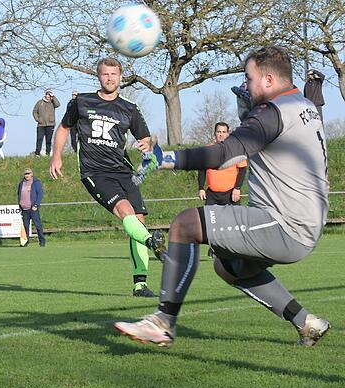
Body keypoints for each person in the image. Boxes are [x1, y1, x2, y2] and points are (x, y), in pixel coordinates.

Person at [115, 45, 330, 347]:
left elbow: (224, 153)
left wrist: (168, 160)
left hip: (285, 225)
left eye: (249, 78)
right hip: (305, 222)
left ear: (269, 80)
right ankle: (306, 322)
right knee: (228, 266)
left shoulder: (273, 112)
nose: (246, 86)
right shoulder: (302, 104)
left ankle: (163, 322)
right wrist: (252, 116)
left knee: (185, 225)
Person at [49, 57, 165, 298]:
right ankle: (153, 243)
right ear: (99, 77)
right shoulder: (82, 101)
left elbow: (145, 139)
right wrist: (56, 156)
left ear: (120, 78)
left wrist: (146, 144)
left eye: (114, 74)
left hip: (124, 171)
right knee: (125, 212)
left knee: (139, 220)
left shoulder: (129, 108)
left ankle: (140, 284)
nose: (110, 78)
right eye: (105, 74)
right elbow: (63, 128)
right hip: (95, 171)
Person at [197, 122, 246, 205]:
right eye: (219, 132)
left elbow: (242, 170)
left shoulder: (236, 150)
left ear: (228, 134)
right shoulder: (207, 150)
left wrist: (237, 188)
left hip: (231, 194)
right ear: (214, 133)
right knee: (208, 218)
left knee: (235, 218)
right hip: (212, 195)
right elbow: (201, 170)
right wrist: (201, 188)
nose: (221, 135)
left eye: (224, 132)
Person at [17, 167, 45, 247]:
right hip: (24, 209)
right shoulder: (21, 183)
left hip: (33, 208)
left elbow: (40, 194)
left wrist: (36, 204)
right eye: (26, 174)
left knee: (38, 225)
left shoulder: (36, 182)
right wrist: (19, 205)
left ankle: (42, 241)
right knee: (25, 226)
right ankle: (25, 242)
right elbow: (19, 194)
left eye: (28, 173)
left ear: (32, 174)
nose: (27, 175)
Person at [32, 89, 60, 156]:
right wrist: (37, 119)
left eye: (49, 94)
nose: (48, 95)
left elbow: (58, 105)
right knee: (39, 139)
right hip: (41, 125)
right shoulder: (40, 102)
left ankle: (48, 153)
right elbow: (34, 111)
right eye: (47, 94)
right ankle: (37, 153)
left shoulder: (53, 102)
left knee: (48, 140)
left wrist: (53, 97)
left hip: (50, 124)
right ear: (45, 94)